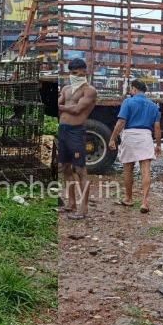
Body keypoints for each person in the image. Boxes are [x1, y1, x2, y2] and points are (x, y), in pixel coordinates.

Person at [109, 79, 161, 213]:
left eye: (131, 89)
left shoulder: (128, 102)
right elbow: (157, 127)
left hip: (130, 135)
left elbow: (121, 122)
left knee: (128, 169)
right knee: (145, 170)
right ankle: (144, 202)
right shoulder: (153, 106)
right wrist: (158, 145)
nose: (130, 92)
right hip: (146, 136)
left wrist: (112, 138)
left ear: (135, 89)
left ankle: (128, 198)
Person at [56, 58, 97, 219]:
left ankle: (83, 208)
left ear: (84, 72)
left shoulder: (89, 91)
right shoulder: (66, 88)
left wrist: (62, 107)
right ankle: (71, 204)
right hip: (63, 130)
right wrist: (63, 106)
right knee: (65, 168)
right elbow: (59, 105)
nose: (74, 76)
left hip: (76, 131)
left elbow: (77, 109)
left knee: (80, 170)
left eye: (77, 73)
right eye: (71, 73)